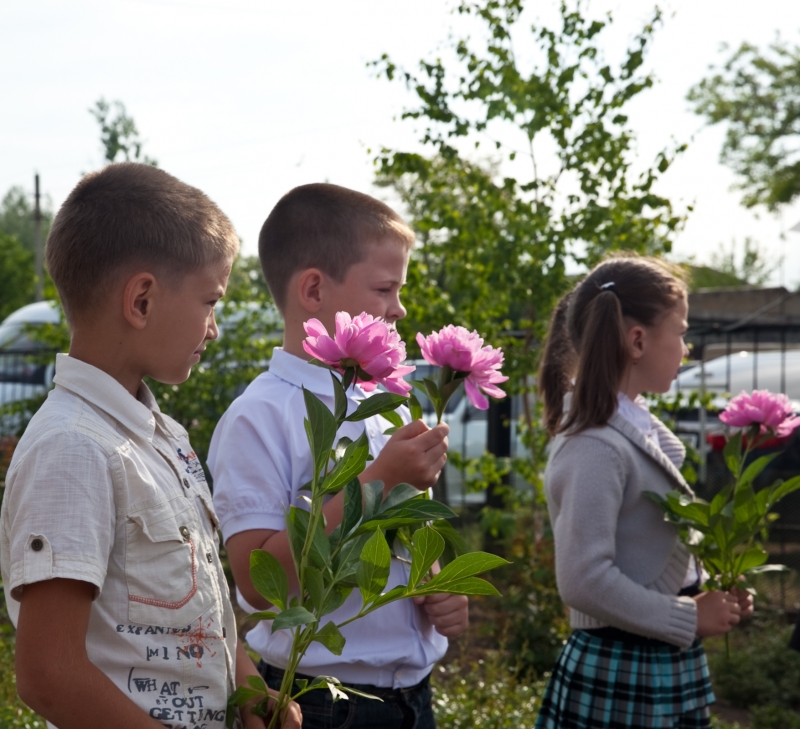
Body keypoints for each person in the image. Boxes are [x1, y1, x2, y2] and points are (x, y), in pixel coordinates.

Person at [0, 163, 301, 729]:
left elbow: (198, 610)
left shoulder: (162, 438)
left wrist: (249, 687)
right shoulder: (73, 449)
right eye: (210, 302)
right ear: (140, 300)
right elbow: (50, 673)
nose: (213, 329)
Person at [208, 183, 468, 729]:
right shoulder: (261, 416)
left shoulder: (385, 403)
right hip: (320, 701)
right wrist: (374, 483)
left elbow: (400, 532)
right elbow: (258, 581)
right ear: (313, 290)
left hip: (412, 698)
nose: (399, 307)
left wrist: (435, 582)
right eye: (384, 288)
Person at [535, 255, 754, 729]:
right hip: (623, 662)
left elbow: (644, 548)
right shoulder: (594, 446)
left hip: (647, 658)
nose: (686, 349)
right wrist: (687, 617)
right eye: (679, 332)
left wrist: (705, 591)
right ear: (637, 340)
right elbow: (583, 579)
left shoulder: (630, 433)